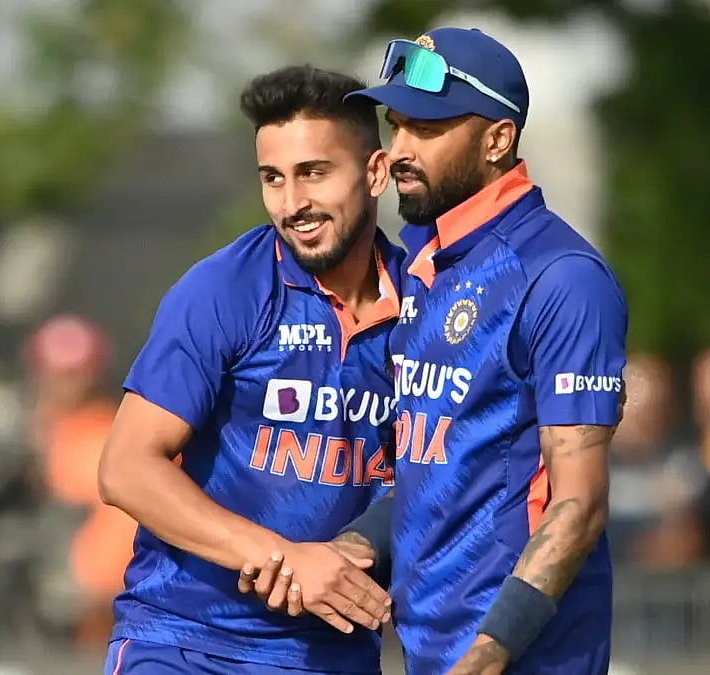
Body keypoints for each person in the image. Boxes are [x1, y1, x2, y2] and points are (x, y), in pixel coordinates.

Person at [241, 28, 628, 675]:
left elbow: (578, 505)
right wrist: (350, 547)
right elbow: (438, 471)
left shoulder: (561, 277)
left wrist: (488, 653)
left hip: (524, 658)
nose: (398, 151)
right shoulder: (428, 264)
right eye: (396, 127)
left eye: (426, 129)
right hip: (431, 650)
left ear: (497, 139)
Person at [96, 65, 402, 674]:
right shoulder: (224, 288)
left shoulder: (430, 306)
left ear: (375, 172)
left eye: (314, 173)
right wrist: (282, 557)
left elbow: (443, 472)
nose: (293, 205)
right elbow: (125, 468)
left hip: (331, 654)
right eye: (273, 178)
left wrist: (355, 549)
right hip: (183, 642)